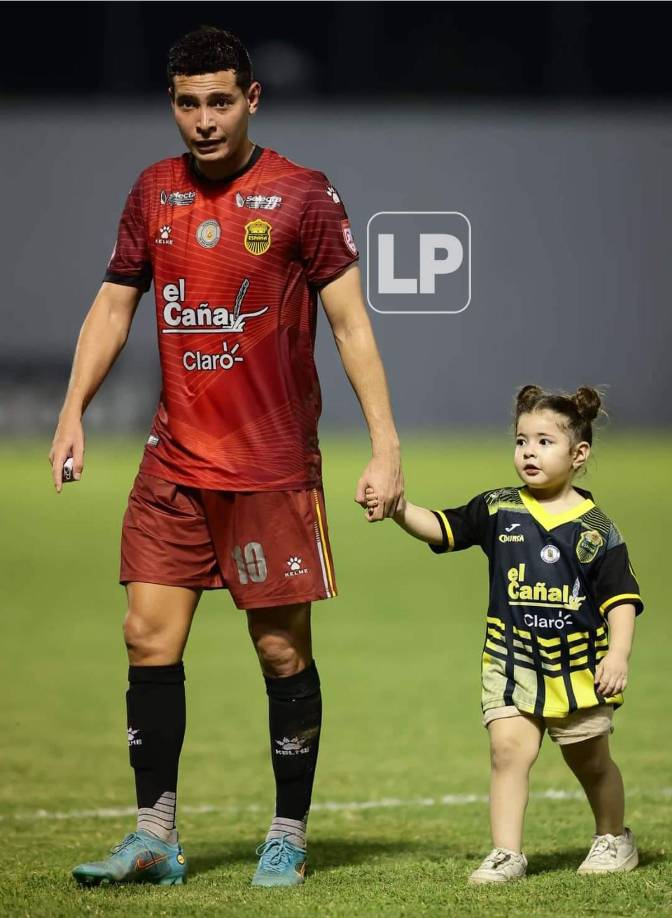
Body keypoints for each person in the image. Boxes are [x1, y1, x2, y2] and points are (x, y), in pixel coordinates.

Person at [49, 26, 403, 888]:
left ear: (251, 100)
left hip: (271, 468)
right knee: (145, 638)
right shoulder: (152, 193)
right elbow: (110, 308)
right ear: (171, 104)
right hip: (173, 463)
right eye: (186, 103)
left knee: (280, 654)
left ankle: (287, 832)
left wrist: (385, 445)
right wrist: (72, 412)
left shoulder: (302, 196)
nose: (203, 121)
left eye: (218, 101)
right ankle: (154, 837)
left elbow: (353, 328)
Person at [364, 385, 642, 883]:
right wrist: (399, 509)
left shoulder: (597, 530)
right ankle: (506, 853)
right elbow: (443, 526)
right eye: (521, 440)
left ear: (579, 454)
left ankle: (613, 838)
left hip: (578, 668)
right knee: (509, 750)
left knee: (591, 761)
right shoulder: (497, 509)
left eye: (543, 441)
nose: (528, 452)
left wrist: (617, 655)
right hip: (511, 659)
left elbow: (620, 600)